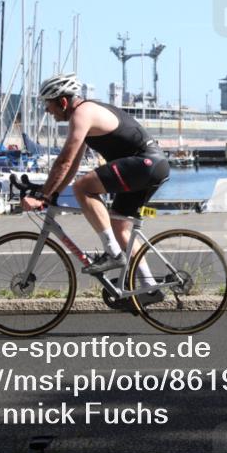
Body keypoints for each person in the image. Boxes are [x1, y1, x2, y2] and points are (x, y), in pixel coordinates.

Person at [20, 73, 169, 304]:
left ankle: (113, 254)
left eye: (48, 104)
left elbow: (64, 161)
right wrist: (52, 194)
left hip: (145, 165)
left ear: (63, 101)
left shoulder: (82, 113)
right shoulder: (85, 115)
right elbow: (71, 166)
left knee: (83, 187)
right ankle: (149, 288)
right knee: (119, 227)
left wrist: (42, 195)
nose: (47, 111)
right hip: (151, 167)